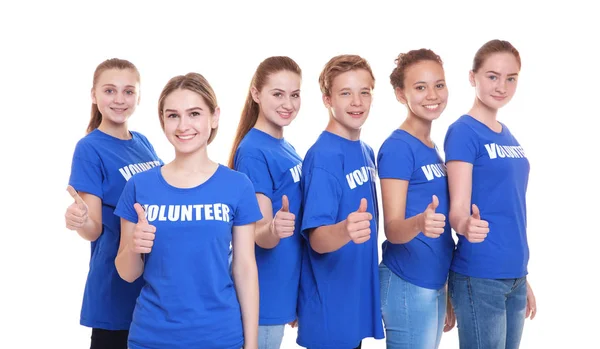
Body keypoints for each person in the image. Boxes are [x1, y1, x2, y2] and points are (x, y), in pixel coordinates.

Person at [114, 72, 261, 349]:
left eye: (194, 113)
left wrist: (251, 345)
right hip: (152, 338)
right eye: (173, 116)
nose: (183, 125)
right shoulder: (139, 186)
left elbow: (245, 268)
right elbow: (127, 273)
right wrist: (135, 247)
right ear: (162, 121)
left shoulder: (237, 185)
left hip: (220, 337)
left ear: (214, 117)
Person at [444, 39, 537, 349]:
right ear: (473, 78)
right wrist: (465, 225)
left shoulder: (507, 134)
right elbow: (456, 210)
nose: (502, 86)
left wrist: (521, 277)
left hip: (514, 274)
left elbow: (509, 207)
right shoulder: (464, 132)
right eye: (492, 76)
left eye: (511, 78)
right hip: (480, 275)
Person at [64, 58, 162, 349]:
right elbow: (93, 229)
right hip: (114, 290)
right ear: (94, 95)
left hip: (150, 286)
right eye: (109, 91)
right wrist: (81, 220)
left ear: (139, 96)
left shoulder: (143, 142)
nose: (119, 99)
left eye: (128, 91)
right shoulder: (89, 148)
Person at [297, 54, 384, 349]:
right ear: (327, 99)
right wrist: (345, 229)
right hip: (328, 315)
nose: (357, 102)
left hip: (353, 308)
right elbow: (317, 239)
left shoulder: (366, 151)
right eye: (345, 93)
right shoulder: (323, 157)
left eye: (364, 92)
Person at [377, 48, 456, 349]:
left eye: (439, 84)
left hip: (433, 282)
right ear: (400, 94)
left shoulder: (432, 147)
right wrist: (421, 222)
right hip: (407, 282)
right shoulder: (398, 148)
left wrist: (445, 286)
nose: (432, 94)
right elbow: (393, 229)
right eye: (420, 87)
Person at [228, 56, 304, 349]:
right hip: (264, 297)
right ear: (256, 94)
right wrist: (273, 228)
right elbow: (258, 232)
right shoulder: (253, 151)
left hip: (281, 290)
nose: (288, 103)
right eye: (278, 94)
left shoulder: (285, 146)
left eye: (295, 95)